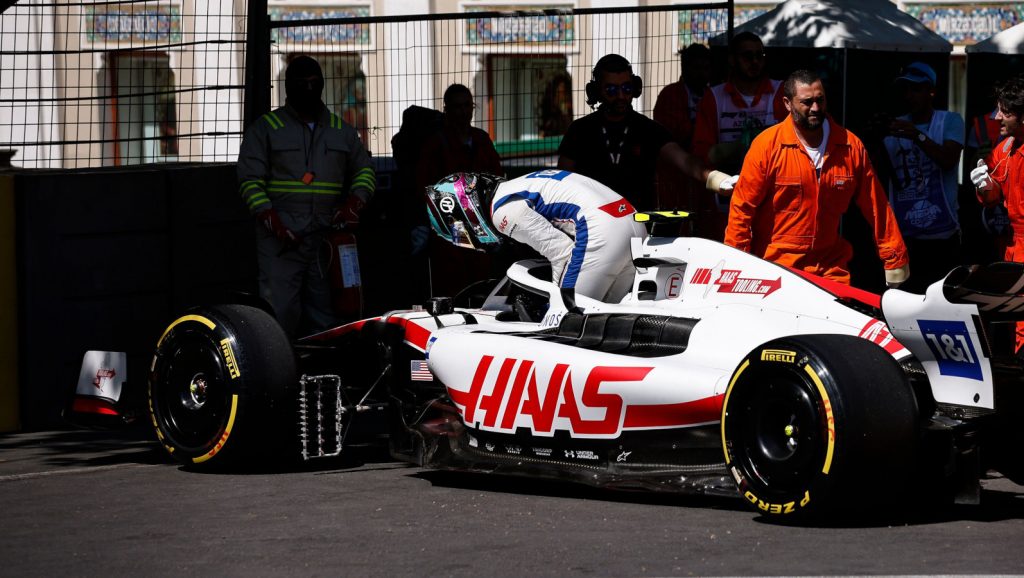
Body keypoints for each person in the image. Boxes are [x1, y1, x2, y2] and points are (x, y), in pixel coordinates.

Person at [726, 69, 910, 288]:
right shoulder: (767, 146)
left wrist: (894, 258)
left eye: (820, 100)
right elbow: (742, 210)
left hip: (830, 269)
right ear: (787, 103)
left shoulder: (850, 146)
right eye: (807, 102)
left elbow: (877, 207)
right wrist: (736, 267)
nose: (815, 108)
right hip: (775, 268)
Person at [236, 55, 376, 337]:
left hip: (326, 237)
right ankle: (279, 374)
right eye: (302, 84)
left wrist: (354, 204)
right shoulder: (266, 129)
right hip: (281, 239)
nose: (309, 90)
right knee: (279, 314)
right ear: (288, 87)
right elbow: (249, 180)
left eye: (315, 83)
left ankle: (323, 374)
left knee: (328, 317)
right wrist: (272, 221)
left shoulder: (342, 131)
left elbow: (365, 171)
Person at [428, 170, 647, 305]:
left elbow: (562, 253)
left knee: (566, 323)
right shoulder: (517, 186)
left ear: (464, 211)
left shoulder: (503, 212)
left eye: (459, 231)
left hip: (602, 232)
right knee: (606, 319)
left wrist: (551, 306)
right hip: (633, 223)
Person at [557, 53, 733, 212]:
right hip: (592, 222)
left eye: (626, 88)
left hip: (638, 222)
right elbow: (562, 181)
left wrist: (718, 180)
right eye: (611, 90)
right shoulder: (579, 131)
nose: (620, 96)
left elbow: (685, 161)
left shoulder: (648, 129)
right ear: (596, 92)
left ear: (635, 88)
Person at [692, 32, 787, 240]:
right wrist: (736, 148)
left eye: (759, 56)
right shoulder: (714, 97)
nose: (755, 62)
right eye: (747, 56)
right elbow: (701, 152)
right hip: (728, 199)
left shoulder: (781, 92)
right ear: (732, 59)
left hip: (775, 200)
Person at [880, 62, 965, 293]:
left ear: (931, 91)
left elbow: (949, 160)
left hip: (942, 235)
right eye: (905, 89)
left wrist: (917, 135)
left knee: (943, 298)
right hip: (906, 236)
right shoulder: (894, 125)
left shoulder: (950, 120)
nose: (909, 95)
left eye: (916, 89)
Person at [415, 83, 505, 298]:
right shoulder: (436, 144)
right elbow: (423, 187)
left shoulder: (482, 140)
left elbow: (497, 179)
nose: (464, 112)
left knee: (481, 282)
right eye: (457, 107)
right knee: (455, 283)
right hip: (451, 223)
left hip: (481, 221)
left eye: (467, 105)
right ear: (446, 109)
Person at [970, 74, 1024, 351]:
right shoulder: (1003, 148)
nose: (997, 117)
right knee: (1015, 326)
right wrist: (984, 185)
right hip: (1011, 248)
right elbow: (992, 199)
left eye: (1005, 111)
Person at [653, 43, 715, 232]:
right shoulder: (671, 95)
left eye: (705, 68)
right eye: (697, 68)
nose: (702, 74)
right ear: (685, 68)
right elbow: (670, 133)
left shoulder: (712, 94)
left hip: (705, 171)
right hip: (675, 174)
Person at [538, 72, 574, 138]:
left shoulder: (569, 102)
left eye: (563, 90)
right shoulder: (550, 104)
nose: (561, 93)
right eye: (560, 89)